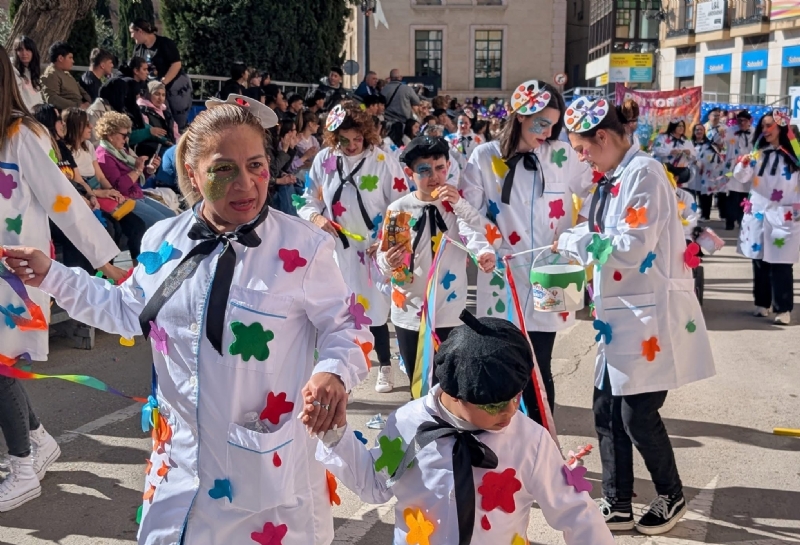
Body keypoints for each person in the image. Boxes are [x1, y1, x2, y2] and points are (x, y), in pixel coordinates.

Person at [2, 95, 371, 543]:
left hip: (266, 485)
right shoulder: (164, 239)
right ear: (192, 175)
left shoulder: (304, 248)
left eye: (256, 165)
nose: (246, 183)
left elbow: (346, 325)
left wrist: (332, 373)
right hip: (177, 471)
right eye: (223, 169)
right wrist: (51, 275)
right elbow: (126, 309)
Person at [314, 311, 616, 545]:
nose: (510, 412)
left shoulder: (528, 439)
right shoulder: (409, 424)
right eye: (494, 405)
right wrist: (336, 435)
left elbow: (575, 510)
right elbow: (376, 486)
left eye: (515, 398)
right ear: (455, 395)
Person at [556, 96, 715, 535]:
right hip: (617, 315)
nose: (582, 158)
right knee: (606, 409)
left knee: (637, 414)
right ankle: (617, 500)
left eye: (583, 149)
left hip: (648, 317)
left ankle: (671, 493)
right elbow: (603, 235)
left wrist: (574, 242)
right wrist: (576, 237)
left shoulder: (642, 173)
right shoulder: (611, 178)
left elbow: (629, 247)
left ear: (602, 137)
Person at [0, 47, 121, 512]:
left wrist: (106, 259)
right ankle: (36, 440)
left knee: (1, 369)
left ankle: (23, 464)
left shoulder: (21, 136)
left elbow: (63, 200)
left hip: (15, 276)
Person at [461, 80, 593, 426]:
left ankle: (542, 435)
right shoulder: (485, 157)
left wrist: (577, 230)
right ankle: (504, 435)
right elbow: (467, 212)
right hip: (502, 277)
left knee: (540, 361)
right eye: (540, 123)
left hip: (552, 274)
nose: (547, 132)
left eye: (553, 124)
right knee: (504, 359)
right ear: (519, 116)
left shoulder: (562, 155)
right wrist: (481, 248)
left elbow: (597, 189)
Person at [299, 101, 408, 393]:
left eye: (356, 139)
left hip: (373, 251)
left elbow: (400, 205)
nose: (350, 146)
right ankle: (338, 370)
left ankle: (384, 364)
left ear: (366, 134)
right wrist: (316, 217)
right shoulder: (324, 160)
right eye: (343, 140)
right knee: (339, 313)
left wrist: (386, 240)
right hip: (336, 251)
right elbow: (307, 200)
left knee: (374, 310)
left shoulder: (383, 161)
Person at [377, 136, 493, 384]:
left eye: (440, 168)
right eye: (424, 170)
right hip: (409, 309)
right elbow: (383, 259)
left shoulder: (456, 207)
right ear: (410, 173)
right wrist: (388, 260)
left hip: (449, 309)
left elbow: (478, 230)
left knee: (450, 382)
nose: (434, 177)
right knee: (418, 382)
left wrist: (460, 205)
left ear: (449, 167)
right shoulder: (399, 208)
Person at [734, 111, 800, 325]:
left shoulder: (795, 157)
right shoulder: (757, 154)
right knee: (760, 260)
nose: (765, 130)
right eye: (763, 126)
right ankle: (762, 303)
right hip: (759, 213)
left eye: (769, 125)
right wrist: (743, 164)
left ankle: (783, 308)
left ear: (781, 128)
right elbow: (741, 177)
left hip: (785, 215)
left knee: (781, 263)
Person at [62, 107, 147, 261]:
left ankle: (135, 271)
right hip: (84, 195)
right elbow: (78, 183)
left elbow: (100, 177)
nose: (91, 127)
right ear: (76, 126)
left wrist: (113, 192)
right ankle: (105, 273)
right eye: (86, 124)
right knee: (111, 228)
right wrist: (104, 193)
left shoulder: (88, 146)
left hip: (99, 192)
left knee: (137, 225)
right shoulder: (65, 151)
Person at [94, 111, 175, 229]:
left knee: (173, 217)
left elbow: (135, 180)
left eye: (127, 135)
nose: (127, 139)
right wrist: (137, 170)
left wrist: (148, 170)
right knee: (163, 224)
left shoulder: (119, 151)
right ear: (110, 134)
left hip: (137, 195)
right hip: (126, 200)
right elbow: (119, 187)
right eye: (123, 135)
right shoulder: (104, 156)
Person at [130, 19, 192, 131]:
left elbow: (176, 64)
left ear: (140, 31)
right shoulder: (139, 49)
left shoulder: (165, 43)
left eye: (132, 32)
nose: (131, 36)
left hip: (174, 87)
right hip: (154, 89)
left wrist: (162, 83)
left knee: (178, 123)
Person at [724, 110, 754, 230]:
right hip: (732, 167)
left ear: (749, 121)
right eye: (740, 120)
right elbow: (719, 142)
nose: (742, 123)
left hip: (748, 168)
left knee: (744, 197)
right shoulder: (730, 131)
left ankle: (742, 220)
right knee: (732, 196)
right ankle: (730, 221)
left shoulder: (755, 132)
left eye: (744, 120)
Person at [40, 41, 91, 110]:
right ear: (60, 58)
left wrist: (88, 102)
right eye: (70, 58)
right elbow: (52, 99)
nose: (73, 61)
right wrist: (78, 106)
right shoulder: (51, 74)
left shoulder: (65, 73)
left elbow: (80, 89)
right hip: (69, 115)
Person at [689, 123, 725, 221]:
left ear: (704, 131)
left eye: (701, 130)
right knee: (691, 194)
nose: (699, 132)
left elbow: (717, 156)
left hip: (705, 172)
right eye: (697, 130)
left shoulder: (709, 145)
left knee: (704, 194)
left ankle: (705, 214)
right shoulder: (689, 143)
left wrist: (704, 164)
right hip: (692, 171)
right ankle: (691, 214)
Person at [138, 80, 180, 150]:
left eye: (163, 95)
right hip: (154, 149)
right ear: (149, 94)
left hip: (170, 147)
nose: (160, 98)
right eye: (157, 94)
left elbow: (176, 134)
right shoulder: (143, 111)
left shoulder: (166, 113)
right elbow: (147, 134)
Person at [652, 120, 695, 186]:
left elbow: (694, 156)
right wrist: (670, 151)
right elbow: (656, 149)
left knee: (686, 173)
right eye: (679, 126)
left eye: (683, 126)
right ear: (673, 126)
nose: (681, 128)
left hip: (682, 168)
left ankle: (675, 180)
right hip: (666, 166)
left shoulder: (686, 140)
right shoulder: (663, 137)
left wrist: (689, 153)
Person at [11, 36, 44, 111]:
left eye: (28, 49)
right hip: (23, 113)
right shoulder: (13, 71)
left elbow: (37, 97)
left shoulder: (32, 71)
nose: (24, 53)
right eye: (20, 50)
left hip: (37, 112)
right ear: (16, 52)